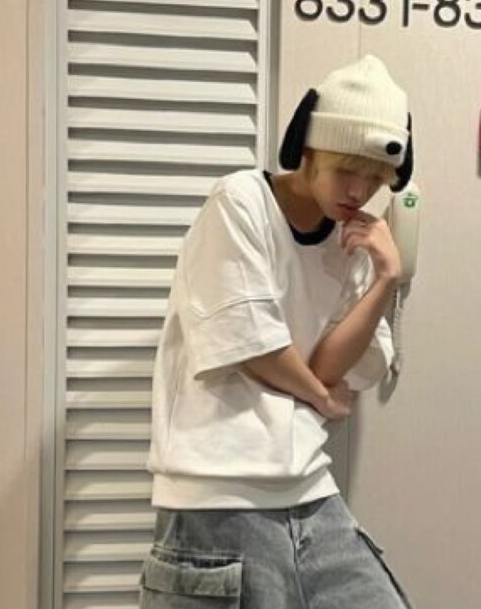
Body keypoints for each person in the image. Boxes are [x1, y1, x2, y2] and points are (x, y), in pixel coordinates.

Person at [139, 54, 417, 609]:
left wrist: (386, 277)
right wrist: (320, 397)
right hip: (215, 496)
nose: (359, 191)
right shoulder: (239, 201)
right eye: (347, 169)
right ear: (308, 150)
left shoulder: (351, 241)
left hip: (309, 491)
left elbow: (330, 365)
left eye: (375, 177)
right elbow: (252, 346)